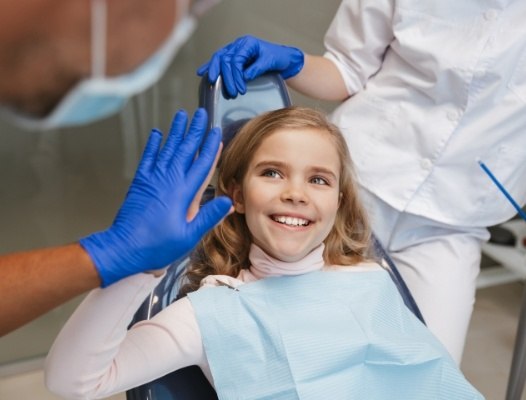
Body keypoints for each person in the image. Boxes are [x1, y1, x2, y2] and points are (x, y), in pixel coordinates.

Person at [45, 107, 482, 399]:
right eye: (272, 173)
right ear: (236, 194)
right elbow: (71, 382)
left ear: (339, 202)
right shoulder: (210, 313)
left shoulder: (370, 279)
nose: (295, 193)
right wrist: (140, 265)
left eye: (319, 179)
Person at [196, 0, 526, 364]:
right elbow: (347, 69)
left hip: (455, 219)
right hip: (357, 185)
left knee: (431, 369)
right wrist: (295, 62)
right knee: (300, 347)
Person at [0, 108, 232, 337]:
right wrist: (114, 251)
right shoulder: (204, 313)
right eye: (268, 173)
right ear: (237, 195)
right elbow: (77, 375)